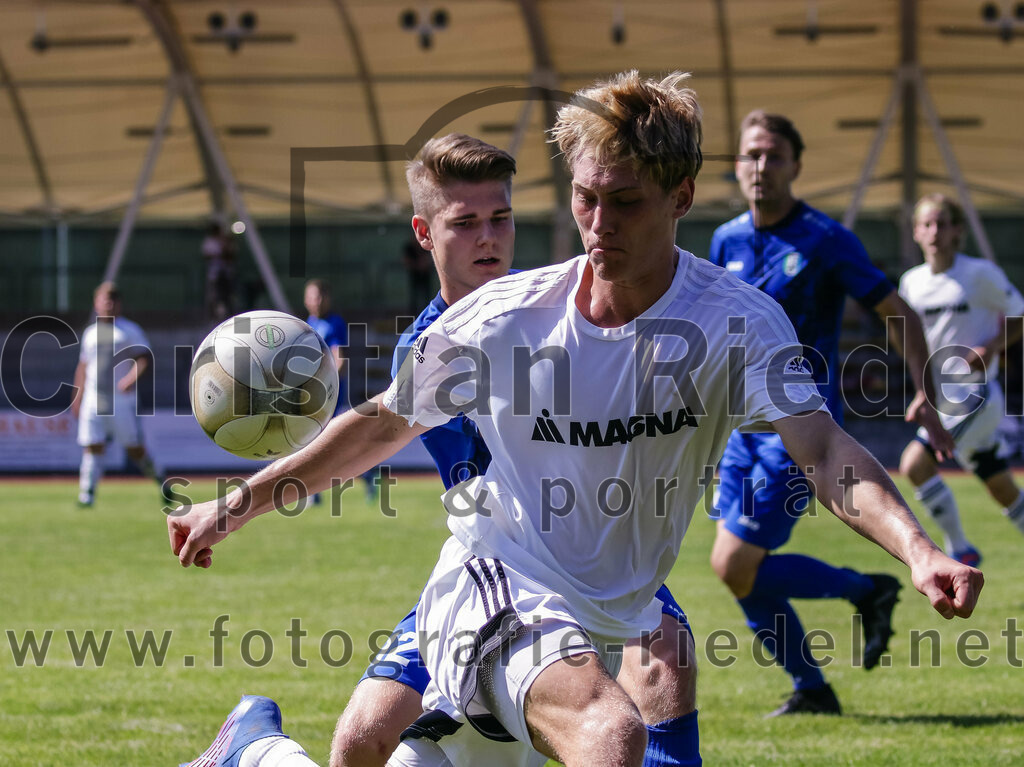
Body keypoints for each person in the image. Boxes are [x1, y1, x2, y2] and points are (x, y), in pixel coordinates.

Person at [168, 72, 981, 767]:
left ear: (681, 196)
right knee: (609, 730)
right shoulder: (502, 318)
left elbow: (824, 448)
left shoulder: (737, 323)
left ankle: (256, 751)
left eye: (625, 203)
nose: (599, 226)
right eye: (585, 200)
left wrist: (915, 548)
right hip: (492, 585)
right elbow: (380, 425)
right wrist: (230, 505)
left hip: (607, 608)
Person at [331, 134, 695, 767]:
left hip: (590, 553)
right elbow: (375, 432)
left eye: (500, 218)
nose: (488, 238)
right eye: (465, 223)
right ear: (425, 234)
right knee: (361, 739)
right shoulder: (425, 351)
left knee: (665, 663)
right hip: (493, 568)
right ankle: (256, 747)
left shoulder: (559, 311)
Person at [707, 110, 959, 717]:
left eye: (772, 155)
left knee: (736, 564)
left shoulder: (825, 238)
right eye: (750, 156)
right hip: (742, 430)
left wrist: (924, 389)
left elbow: (898, 311)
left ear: (796, 165)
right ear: (737, 165)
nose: (760, 167)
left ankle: (865, 590)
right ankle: (816, 683)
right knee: (734, 570)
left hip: (798, 429)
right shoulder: (725, 239)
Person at [898, 193, 1024, 565]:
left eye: (942, 223)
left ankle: (959, 550)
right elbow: (910, 341)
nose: (935, 231)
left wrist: (993, 347)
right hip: (940, 399)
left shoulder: (980, 274)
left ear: (957, 230)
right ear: (916, 232)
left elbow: (1020, 314)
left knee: (914, 465)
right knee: (1000, 486)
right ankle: (961, 548)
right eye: (927, 224)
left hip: (976, 395)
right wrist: (922, 391)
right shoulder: (911, 283)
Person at [71, 281, 165, 507]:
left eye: (112, 300)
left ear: (119, 304)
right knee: (93, 445)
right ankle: (87, 495)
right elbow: (83, 366)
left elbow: (143, 358)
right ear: (96, 303)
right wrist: (77, 396)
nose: (108, 304)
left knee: (135, 450)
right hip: (94, 399)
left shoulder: (129, 330)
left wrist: (130, 378)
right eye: (104, 299)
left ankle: (162, 481)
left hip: (121, 401)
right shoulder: (90, 333)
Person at [303, 278, 376, 502]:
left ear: (327, 298)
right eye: (312, 296)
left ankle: (368, 473)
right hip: (312, 395)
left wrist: (326, 383)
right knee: (317, 442)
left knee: (325, 443)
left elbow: (340, 358)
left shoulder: (334, 323)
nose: (316, 301)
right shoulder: (308, 323)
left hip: (328, 395)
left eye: (320, 296)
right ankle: (315, 492)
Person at [203, 222, 236, 321]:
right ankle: (212, 318)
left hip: (227, 274)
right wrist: (219, 255)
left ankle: (231, 317)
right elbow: (206, 255)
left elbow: (231, 255)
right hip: (215, 275)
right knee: (213, 296)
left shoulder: (225, 241)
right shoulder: (209, 241)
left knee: (228, 297)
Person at [403, 234, 434, 314]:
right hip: (415, 274)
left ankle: (428, 312)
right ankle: (413, 314)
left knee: (426, 295)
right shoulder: (409, 248)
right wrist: (417, 265)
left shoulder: (425, 245)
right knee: (414, 296)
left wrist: (424, 264)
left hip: (425, 274)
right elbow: (406, 261)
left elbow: (430, 259)